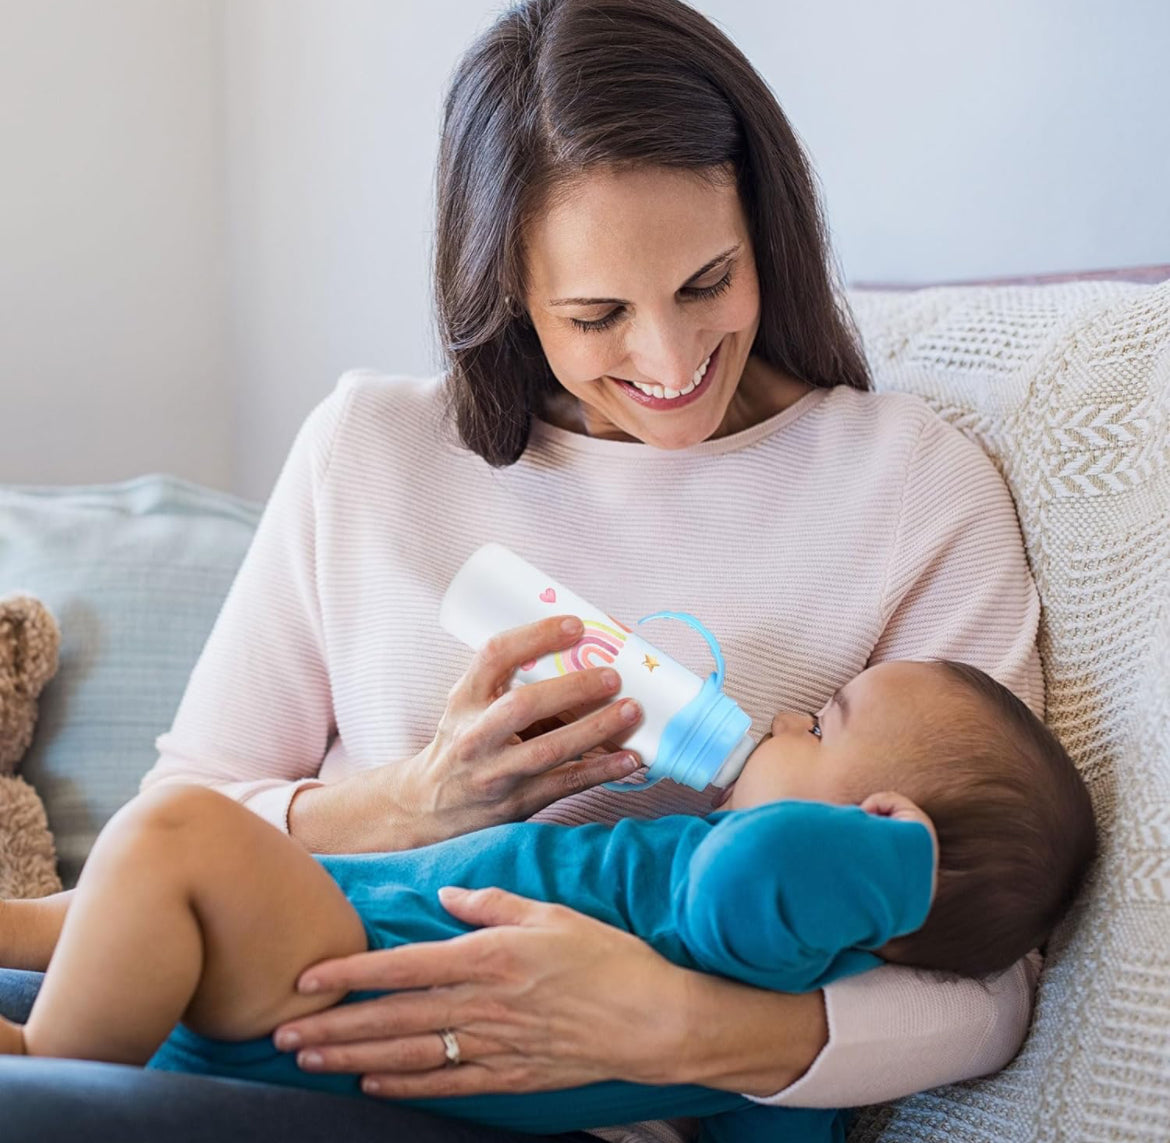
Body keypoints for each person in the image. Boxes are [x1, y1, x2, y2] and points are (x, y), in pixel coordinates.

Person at [0, 2, 1050, 1141]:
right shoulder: (371, 449)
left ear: (765, 226)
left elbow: (988, 979)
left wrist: (671, 1026)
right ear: (505, 290)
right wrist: (411, 801)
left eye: (707, 282)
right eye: (597, 314)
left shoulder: (908, 484)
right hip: (244, 982)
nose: (670, 359)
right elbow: (183, 814)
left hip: (465, 1098)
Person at [0, 658, 1096, 1143]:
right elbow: (767, 1116)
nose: (792, 720)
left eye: (829, 722)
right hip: (342, 924)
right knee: (105, 900)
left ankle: (56, 1063)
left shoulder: (745, 913)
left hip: (341, 980)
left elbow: (771, 881)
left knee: (178, 837)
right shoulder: (732, 922)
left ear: (875, 827)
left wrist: (897, 862)